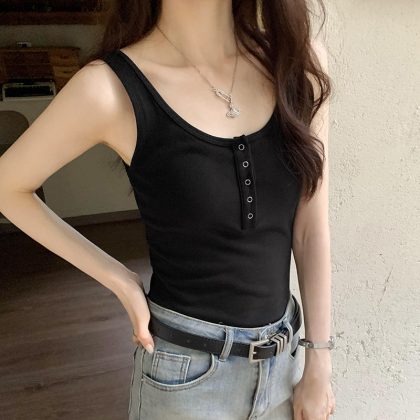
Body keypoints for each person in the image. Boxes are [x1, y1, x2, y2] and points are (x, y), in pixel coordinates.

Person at [0, 0, 336, 419]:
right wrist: (118, 278)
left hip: (284, 370)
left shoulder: (298, 65)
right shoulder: (108, 88)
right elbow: (8, 186)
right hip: (184, 381)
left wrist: (319, 361)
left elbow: (310, 228)